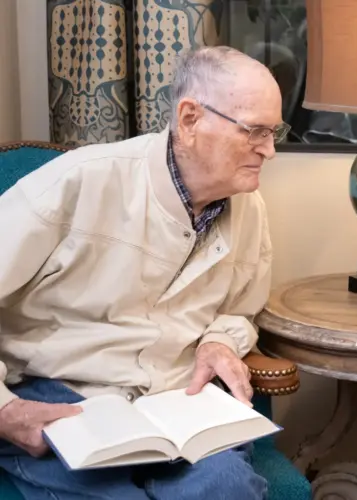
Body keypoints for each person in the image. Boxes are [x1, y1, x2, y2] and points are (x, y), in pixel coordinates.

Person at [0, 46, 290, 499]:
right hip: (58, 394)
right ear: (190, 119)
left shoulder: (249, 207)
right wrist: (7, 411)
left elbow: (241, 311)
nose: (269, 151)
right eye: (254, 131)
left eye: (274, 132)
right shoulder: (77, 182)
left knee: (229, 487)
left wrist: (219, 340)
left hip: (176, 404)